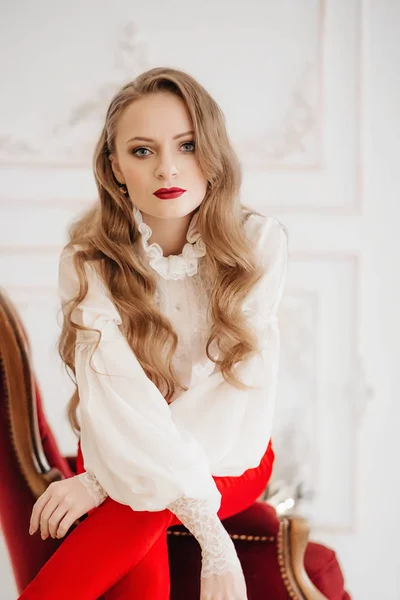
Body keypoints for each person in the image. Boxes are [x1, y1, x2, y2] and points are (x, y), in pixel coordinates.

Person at [20, 66, 288, 600]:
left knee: (137, 504)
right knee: (140, 504)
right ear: (114, 167)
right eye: (142, 151)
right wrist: (114, 476)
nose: (167, 167)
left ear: (211, 152)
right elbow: (117, 394)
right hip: (125, 450)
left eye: (186, 145)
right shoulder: (89, 260)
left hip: (232, 453)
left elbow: (228, 399)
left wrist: (102, 483)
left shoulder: (257, 244)